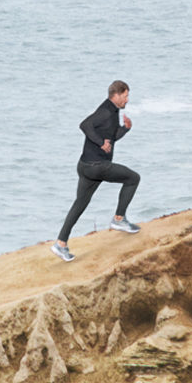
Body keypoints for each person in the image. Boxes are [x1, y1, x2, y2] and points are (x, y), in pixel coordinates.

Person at [52, 81, 141, 262]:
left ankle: (61, 243)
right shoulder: (105, 111)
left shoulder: (113, 111)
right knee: (133, 178)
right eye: (125, 96)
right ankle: (119, 218)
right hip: (97, 167)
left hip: (86, 166)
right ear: (116, 96)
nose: (127, 99)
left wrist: (125, 129)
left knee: (80, 203)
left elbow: (112, 137)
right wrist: (100, 143)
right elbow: (84, 125)